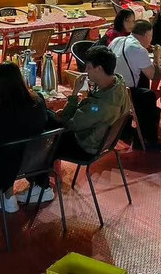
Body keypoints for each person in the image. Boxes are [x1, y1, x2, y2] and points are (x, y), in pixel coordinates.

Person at [46, 47, 130, 187]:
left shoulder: (102, 105)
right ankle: (52, 171)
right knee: (51, 120)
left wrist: (74, 94)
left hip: (86, 146)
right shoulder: (119, 84)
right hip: (102, 140)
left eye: (89, 67)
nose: (86, 70)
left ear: (99, 69)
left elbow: (69, 124)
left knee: (48, 128)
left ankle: (42, 183)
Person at [0, 62, 54, 212]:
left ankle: (7, 196)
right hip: (36, 159)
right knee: (11, 146)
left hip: (9, 164)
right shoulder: (38, 100)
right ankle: (34, 188)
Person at [110, 19, 161, 150]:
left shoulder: (117, 40)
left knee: (141, 80)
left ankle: (126, 129)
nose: (151, 40)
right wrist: (156, 58)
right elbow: (154, 76)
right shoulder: (138, 49)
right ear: (145, 35)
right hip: (125, 92)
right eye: (150, 36)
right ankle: (147, 139)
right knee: (149, 96)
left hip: (110, 86)